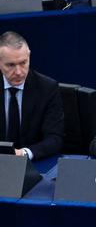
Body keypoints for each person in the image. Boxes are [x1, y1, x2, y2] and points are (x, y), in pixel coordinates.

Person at [0, 32, 64, 162]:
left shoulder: (47, 88)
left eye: (23, 63)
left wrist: (24, 153)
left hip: (34, 164)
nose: (18, 72)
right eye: (10, 65)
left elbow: (55, 138)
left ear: (29, 56)